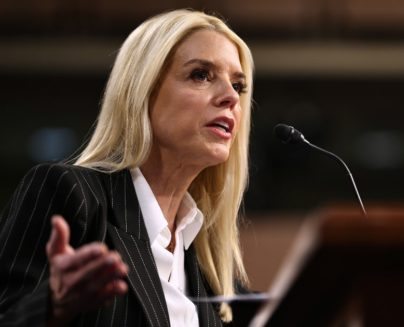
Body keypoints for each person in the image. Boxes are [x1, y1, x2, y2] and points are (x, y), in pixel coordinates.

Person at [0, 9, 254, 326]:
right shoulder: (71, 196)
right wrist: (51, 305)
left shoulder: (210, 264)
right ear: (142, 90)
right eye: (201, 75)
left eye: (238, 85)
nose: (230, 97)